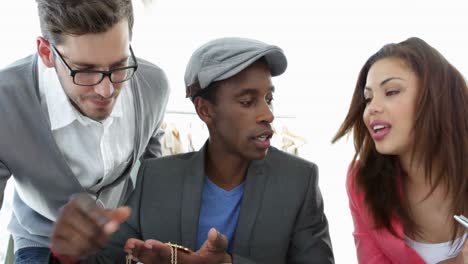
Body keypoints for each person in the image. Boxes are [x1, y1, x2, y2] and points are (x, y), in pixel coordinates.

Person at [50, 37, 334, 263]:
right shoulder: (155, 178)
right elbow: (107, 259)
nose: (267, 114)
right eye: (248, 102)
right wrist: (67, 254)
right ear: (205, 110)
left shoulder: (298, 180)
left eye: (269, 99)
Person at [0, 0, 169, 262]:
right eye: (85, 71)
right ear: (46, 53)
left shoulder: (153, 86)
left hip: (120, 238)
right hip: (42, 240)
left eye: (119, 65)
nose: (106, 91)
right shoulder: (5, 102)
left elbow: (153, 166)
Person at [332, 37, 468, 263]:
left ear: (436, 96)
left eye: (392, 91)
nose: (372, 109)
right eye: (367, 99)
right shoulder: (363, 182)